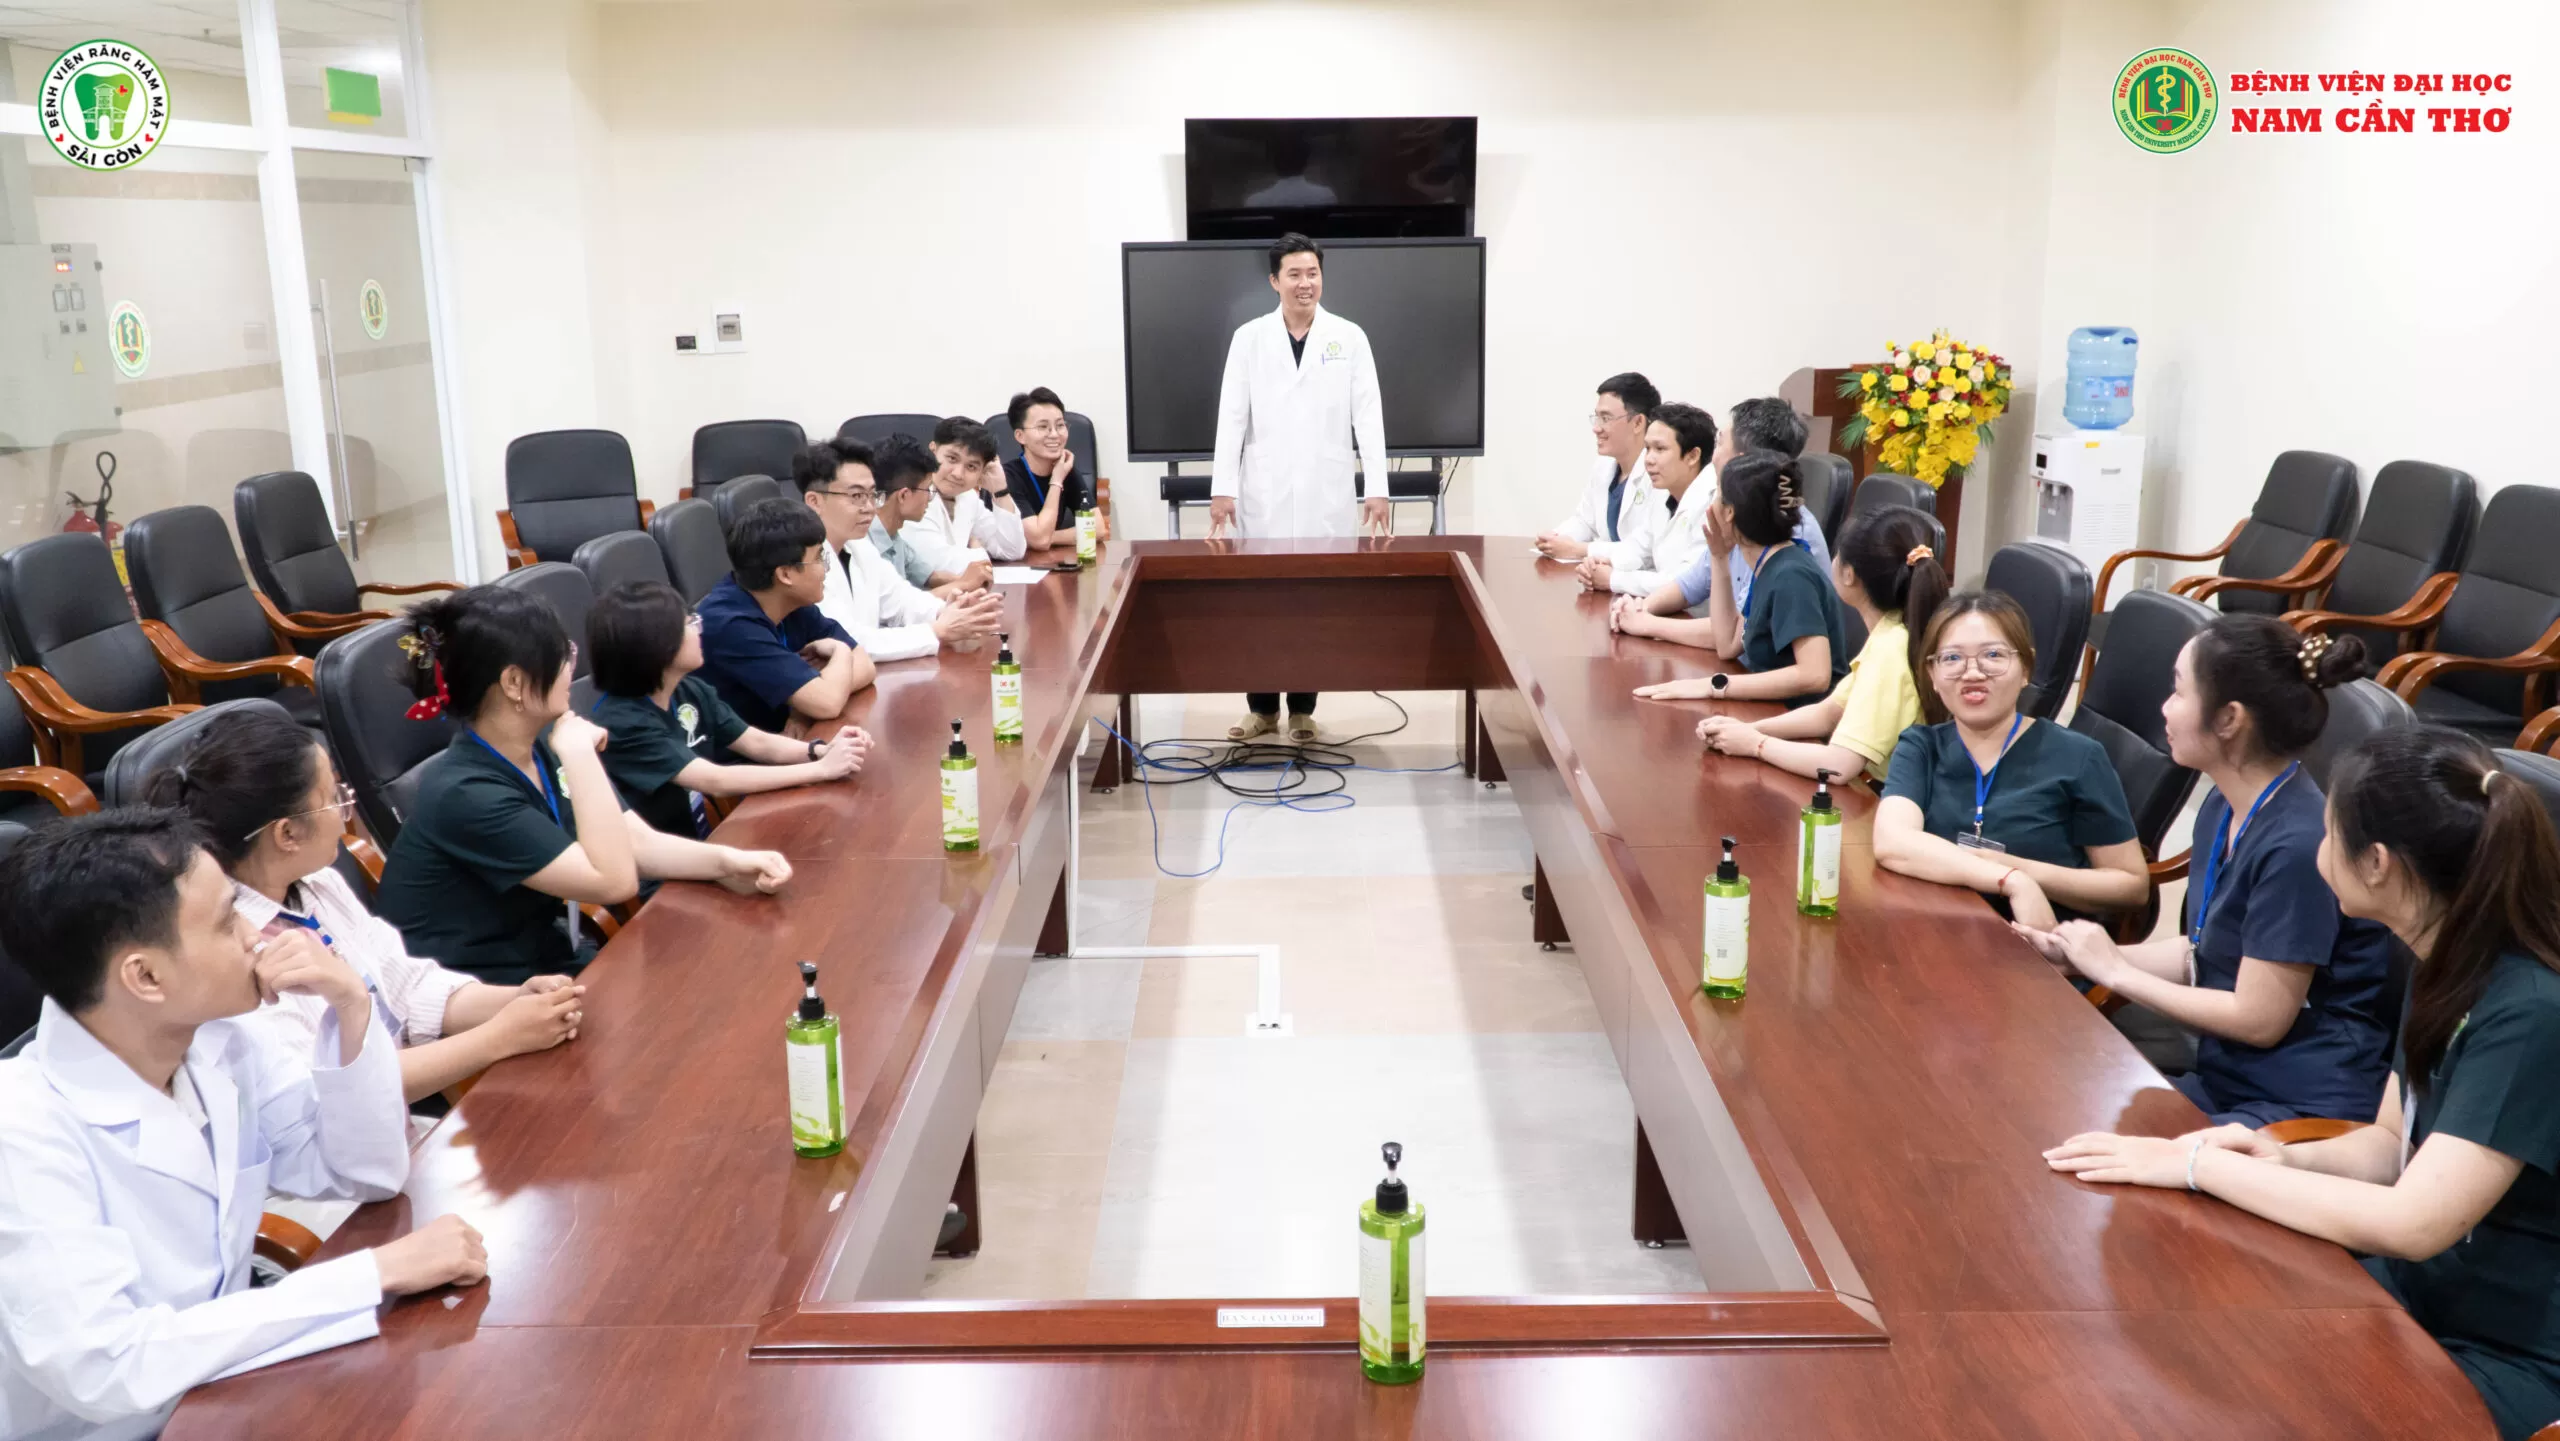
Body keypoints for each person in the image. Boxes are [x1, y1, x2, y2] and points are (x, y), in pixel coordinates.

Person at [2046, 727, 2560, 1441]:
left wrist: (2203, 1167)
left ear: (2376, 863)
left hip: (2509, 1351)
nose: (2317, 839)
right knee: (2192, 1345)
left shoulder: (2528, 1012)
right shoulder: (2444, 956)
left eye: (2330, 826)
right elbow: (2389, 1145)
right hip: (2419, 1296)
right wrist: (2281, 1156)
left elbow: (2414, 1222)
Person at [0, 810, 487, 1439]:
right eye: (229, 921)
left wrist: (351, 1007)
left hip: (229, 1387)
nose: (257, 936)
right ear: (145, 976)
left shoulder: (221, 1038)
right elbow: (108, 1367)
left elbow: (364, 1172)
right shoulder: (20, 1127)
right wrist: (374, 1272)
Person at [2016, 619, 2394, 1127]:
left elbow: (2260, 1019)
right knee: (2041, 1102)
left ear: (2229, 718)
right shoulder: (2224, 804)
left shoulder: (2298, 846)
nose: (2165, 708)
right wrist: (2077, 957)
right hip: (2229, 1078)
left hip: (2300, 1105)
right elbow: (2205, 951)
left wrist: (2116, 972)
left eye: (2178, 691)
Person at [146, 705, 590, 1105]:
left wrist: (515, 1000)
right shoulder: (233, 952)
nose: (346, 809)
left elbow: (408, 990)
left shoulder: (318, 885)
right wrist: (499, 1037)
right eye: (333, 798)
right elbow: (326, 1095)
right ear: (287, 834)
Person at [378, 586, 793, 984]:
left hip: (546, 961)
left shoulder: (541, 742)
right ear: (514, 683)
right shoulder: (468, 792)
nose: (571, 668)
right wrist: (580, 754)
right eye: (562, 654)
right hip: (486, 991)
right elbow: (614, 883)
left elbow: (637, 843)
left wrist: (728, 863)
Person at [1871, 591, 2149, 928]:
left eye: (1993, 655)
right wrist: (2010, 879)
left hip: (2033, 943)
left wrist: (2023, 870)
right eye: (1952, 658)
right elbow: (1892, 842)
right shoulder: (1921, 747)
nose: (1972, 673)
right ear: (1932, 673)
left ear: (2026, 669)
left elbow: (2131, 885)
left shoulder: (2079, 757)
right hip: (1933, 932)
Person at [1209, 232, 1390, 743]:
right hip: (1263, 491)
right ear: (1275, 281)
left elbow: (1368, 414)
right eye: (1294, 274)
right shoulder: (1249, 338)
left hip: (1326, 490)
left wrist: (1377, 487)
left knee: (1315, 601)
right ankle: (1262, 710)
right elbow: (1231, 415)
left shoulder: (1349, 337)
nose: (1305, 283)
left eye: (1312, 273)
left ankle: (1304, 709)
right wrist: (1223, 488)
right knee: (1260, 601)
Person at [1663, 505, 1947, 783]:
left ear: (1849, 575)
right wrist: (1748, 729)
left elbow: (1839, 765)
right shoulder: (1892, 633)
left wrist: (1756, 745)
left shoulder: (1890, 650)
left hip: (1885, 796)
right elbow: (1827, 714)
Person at [589, 580, 873, 839]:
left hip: (704, 840)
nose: (699, 630)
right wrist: (821, 770)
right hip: (657, 862)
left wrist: (820, 750)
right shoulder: (621, 722)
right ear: (657, 644)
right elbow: (716, 780)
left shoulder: (689, 690)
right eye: (690, 624)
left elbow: (755, 742)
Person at [1619, 450, 1849, 706]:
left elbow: (1815, 675)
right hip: (1771, 709)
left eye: (1717, 494)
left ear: (1729, 513)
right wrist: (1719, 558)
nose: (1710, 505)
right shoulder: (1767, 563)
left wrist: (1714, 685)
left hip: (1800, 718)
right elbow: (1727, 643)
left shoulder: (1791, 575)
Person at [792, 439, 1003, 664]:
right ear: (814, 501)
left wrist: (949, 610)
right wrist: (937, 630)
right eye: (856, 496)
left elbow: (902, 601)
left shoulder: (859, 546)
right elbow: (848, 641)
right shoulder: (800, 562)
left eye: (872, 495)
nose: (870, 507)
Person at [695, 497, 876, 733]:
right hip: (730, 753)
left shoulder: (790, 600)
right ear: (786, 575)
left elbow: (865, 665)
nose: (826, 568)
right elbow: (828, 703)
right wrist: (840, 652)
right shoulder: (731, 625)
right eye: (819, 558)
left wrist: (802, 707)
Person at [1669, 398, 1833, 617]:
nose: (1713, 458)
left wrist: (1645, 623)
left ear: (1742, 463)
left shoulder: (1786, 531)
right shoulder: (1740, 511)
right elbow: (1690, 585)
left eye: (1719, 443)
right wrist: (1639, 611)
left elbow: (1737, 629)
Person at [1575, 402, 1717, 604]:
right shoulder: (1664, 494)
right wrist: (1603, 564)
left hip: (1696, 615)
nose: (1649, 459)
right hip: (1661, 610)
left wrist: (1613, 579)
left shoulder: (1713, 502)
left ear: (1693, 456)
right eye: (1647, 448)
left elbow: (1683, 582)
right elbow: (1639, 547)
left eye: (1660, 449)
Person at [1534, 372, 1658, 563]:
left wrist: (1580, 550)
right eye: (1597, 418)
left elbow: (1645, 550)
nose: (1596, 428)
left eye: (1606, 418)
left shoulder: (1658, 473)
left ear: (1638, 423)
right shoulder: (1604, 465)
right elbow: (1585, 521)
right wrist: (1554, 538)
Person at [869, 433, 989, 597]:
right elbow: (900, 605)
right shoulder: (865, 546)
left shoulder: (894, 537)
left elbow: (929, 576)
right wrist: (964, 584)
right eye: (928, 489)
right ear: (904, 496)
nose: (930, 498)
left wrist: (970, 581)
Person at [917, 416, 1027, 567]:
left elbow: (1012, 551)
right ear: (933, 449)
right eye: (952, 459)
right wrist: (979, 551)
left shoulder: (967, 497)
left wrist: (1000, 491)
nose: (958, 474)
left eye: (971, 467)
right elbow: (935, 563)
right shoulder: (913, 493)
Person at [1002, 387, 1097, 553]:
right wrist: (1056, 481)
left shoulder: (1065, 469)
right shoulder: (1007, 477)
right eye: (1043, 427)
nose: (1054, 434)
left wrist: (1050, 537)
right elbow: (1040, 541)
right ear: (1020, 436)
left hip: (1048, 560)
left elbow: (1098, 528)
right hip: (1009, 564)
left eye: (1060, 425)